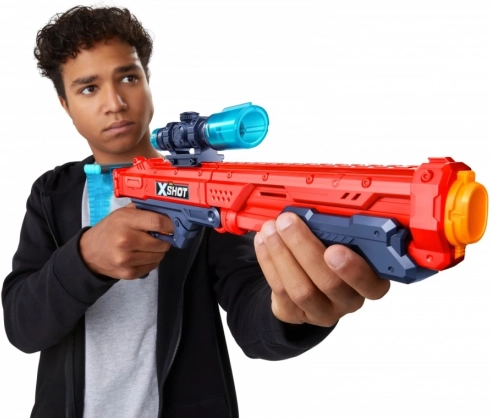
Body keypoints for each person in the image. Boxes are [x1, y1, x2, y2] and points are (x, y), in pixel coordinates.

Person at [2, 5, 390, 418]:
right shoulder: (53, 193)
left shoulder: (204, 189)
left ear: (147, 80)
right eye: (88, 88)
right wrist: (84, 260)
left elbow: (251, 311)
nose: (115, 103)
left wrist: (293, 310)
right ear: (64, 105)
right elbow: (22, 326)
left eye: (128, 78)